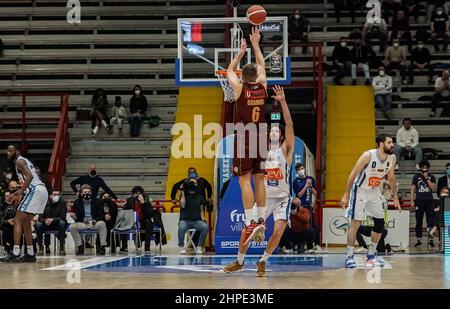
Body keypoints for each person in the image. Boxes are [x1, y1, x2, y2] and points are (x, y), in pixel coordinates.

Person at [223, 85, 294, 277]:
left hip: (282, 198)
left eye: (276, 132)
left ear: (280, 136)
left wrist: (283, 101)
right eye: (270, 131)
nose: (273, 133)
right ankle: (239, 261)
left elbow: (288, 123)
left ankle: (262, 261)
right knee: (247, 228)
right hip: (264, 200)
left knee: (278, 231)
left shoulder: (285, 150)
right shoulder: (258, 151)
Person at [225, 27, 268, 253]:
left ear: (243, 76)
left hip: (244, 137)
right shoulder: (263, 85)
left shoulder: (239, 88)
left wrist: (241, 52)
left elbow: (229, 70)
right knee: (260, 179)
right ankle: (261, 220)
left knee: (244, 180)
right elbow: (262, 66)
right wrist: (256, 44)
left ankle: (250, 222)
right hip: (262, 135)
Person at [341, 134, 401, 268]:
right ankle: (349, 256)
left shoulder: (392, 158)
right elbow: (353, 173)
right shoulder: (368, 155)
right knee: (355, 223)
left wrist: (395, 196)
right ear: (381, 144)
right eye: (389, 142)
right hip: (360, 190)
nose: (392, 145)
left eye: (392, 143)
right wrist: (346, 193)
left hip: (374, 192)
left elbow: (391, 178)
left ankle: (371, 255)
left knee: (380, 224)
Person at [1, 144, 49, 262]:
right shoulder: (24, 161)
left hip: (35, 189)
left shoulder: (19, 161)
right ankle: (31, 253)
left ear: (16, 151)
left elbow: (30, 177)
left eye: (10, 151)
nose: (8, 153)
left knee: (17, 220)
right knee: (26, 222)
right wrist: (20, 193)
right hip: (42, 190)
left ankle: (16, 252)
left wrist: (18, 193)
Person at [70, 184, 107, 255]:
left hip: (94, 222)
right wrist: (74, 217)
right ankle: (80, 245)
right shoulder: (77, 202)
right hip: (83, 223)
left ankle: (102, 246)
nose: (87, 194)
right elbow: (77, 218)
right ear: (81, 193)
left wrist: (94, 221)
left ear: (91, 193)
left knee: (102, 224)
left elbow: (101, 215)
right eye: (85, 192)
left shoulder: (97, 201)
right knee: (72, 227)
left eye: (88, 192)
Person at [292, 163, 321, 252]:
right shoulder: (296, 181)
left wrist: (310, 186)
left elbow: (316, 193)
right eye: (299, 169)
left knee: (314, 226)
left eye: (302, 168)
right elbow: (299, 195)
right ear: (297, 171)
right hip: (300, 207)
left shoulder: (311, 179)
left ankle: (316, 245)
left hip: (309, 207)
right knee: (301, 226)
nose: (301, 170)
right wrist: (305, 186)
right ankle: (299, 244)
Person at [177, 176, 208, 255]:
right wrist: (183, 191)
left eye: (194, 183)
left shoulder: (199, 196)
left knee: (205, 226)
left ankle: (199, 246)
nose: (193, 184)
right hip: (185, 221)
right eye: (191, 183)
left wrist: (202, 218)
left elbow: (201, 209)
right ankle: (181, 246)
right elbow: (182, 205)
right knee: (181, 227)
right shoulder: (183, 195)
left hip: (196, 221)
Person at [120, 186, 156, 254]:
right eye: (136, 194)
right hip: (132, 221)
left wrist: (143, 203)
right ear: (133, 194)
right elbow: (124, 212)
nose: (137, 195)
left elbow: (150, 214)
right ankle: (124, 246)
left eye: (139, 193)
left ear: (142, 194)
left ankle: (147, 247)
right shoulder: (129, 201)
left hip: (143, 221)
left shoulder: (146, 201)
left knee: (149, 223)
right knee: (123, 224)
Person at [411, 160, 436, 247]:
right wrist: (412, 201)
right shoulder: (416, 177)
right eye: (423, 167)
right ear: (420, 168)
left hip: (429, 200)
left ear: (428, 168)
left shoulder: (431, 176)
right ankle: (419, 239)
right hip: (419, 200)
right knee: (419, 220)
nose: (424, 169)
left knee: (430, 220)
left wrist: (427, 179)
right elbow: (412, 189)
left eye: (426, 167)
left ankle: (430, 238)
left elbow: (433, 189)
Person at [35, 190, 67, 256]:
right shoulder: (44, 203)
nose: (56, 196)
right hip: (46, 223)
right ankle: (40, 246)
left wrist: (52, 219)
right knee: (38, 225)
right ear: (50, 196)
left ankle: (62, 246)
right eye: (54, 194)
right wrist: (45, 220)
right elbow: (40, 217)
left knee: (62, 223)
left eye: (58, 194)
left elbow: (63, 216)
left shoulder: (63, 203)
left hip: (56, 223)